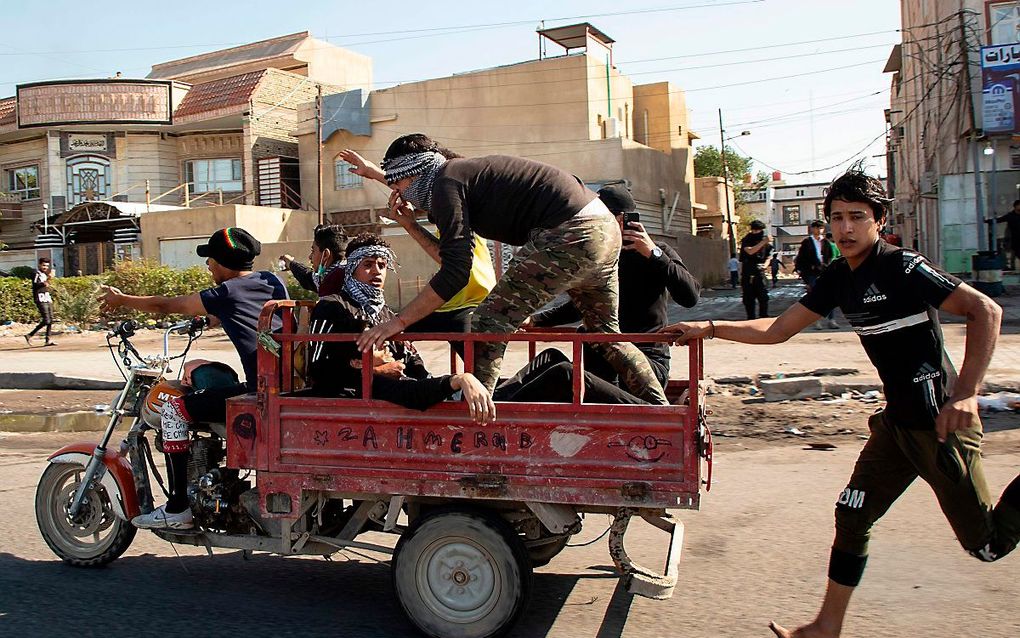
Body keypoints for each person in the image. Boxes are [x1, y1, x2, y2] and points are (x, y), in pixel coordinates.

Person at [663, 168, 1019, 638]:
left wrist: (968, 393)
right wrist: (708, 328)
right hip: (895, 426)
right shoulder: (837, 277)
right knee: (852, 516)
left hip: (938, 425)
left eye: (857, 217)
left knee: (987, 547)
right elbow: (777, 329)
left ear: (879, 220)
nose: (845, 228)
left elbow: (985, 310)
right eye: (836, 218)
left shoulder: (903, 266)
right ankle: (826, 626)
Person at [356, 133, 667, 406]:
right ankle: (663, 410)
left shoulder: (446, 183)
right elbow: (450, 259)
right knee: (604, 335)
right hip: (602, 229)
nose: (399, 192)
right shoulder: (462, 176)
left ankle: (479, 413)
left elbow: (455, 273)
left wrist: (397, 322)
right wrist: (409, 223)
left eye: (397, 182)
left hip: (569, 232)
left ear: (416, 173)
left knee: (488, 321)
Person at [100, 227, 289, 530]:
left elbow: (166, 304)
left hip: (260, 392)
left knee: (175, 411)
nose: (208, 265)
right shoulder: (271, 282)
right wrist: (210, 318)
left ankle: (178, 508)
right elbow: (241, 313)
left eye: (211, 260)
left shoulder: (226, 292)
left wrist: (122, 300)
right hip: (284, 386)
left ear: (224, 263)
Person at [526, 183, 700, 389]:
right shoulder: (597, 255)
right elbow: (584, 305)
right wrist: (534, 320)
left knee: (564, 373)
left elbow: (690, 297)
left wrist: (654, 255)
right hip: (604, 366)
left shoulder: (657, 253)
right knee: (551, 360)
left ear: (618, 219)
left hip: (645, 367)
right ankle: (497, 404)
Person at [306, 233, 494, 421]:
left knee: (510, 390)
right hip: (362, 397)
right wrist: (373, 370)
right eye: (368, 265)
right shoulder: (332, 307)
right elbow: (317, 370)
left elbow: (412, 361)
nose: (377, 272)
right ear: (352, 269)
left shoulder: (386, 314)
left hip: (406, 390)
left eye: (382, 265)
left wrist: (426, 380)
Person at [339, 140, 496, 356]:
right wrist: (371, 171)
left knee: (483, 375)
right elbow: (408, 186)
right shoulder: (452, 208)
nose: (404, 190)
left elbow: (450, 262)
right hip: (455, 303)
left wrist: (410, 225)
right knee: (388, 335)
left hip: (467, 303)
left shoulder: (456, 204)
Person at [279, 223, 348, 296]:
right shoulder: (338, 275)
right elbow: (307, 277)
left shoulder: (331, 284)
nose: (310, 257)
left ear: (325, 255)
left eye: (313, 251)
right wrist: (290, 263)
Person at [795, 220, 839, 329]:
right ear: (812, 229)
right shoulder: (807, 242)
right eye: (816, 228)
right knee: (816, 296)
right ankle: (816, 320)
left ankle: (831, 320)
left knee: (829, 295)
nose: (818, 230)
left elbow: (830, 256)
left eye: (821, 228)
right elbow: (801, 258)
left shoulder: (826, 242)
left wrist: (826, 265)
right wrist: (806, 270)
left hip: (824, 271)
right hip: (811, 272)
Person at [739, 219, 772, 319]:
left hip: (759, 272)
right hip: (748, 272)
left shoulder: (766, 242)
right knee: (748, 298)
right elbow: (750, 251)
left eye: (757, 230)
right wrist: (763, 242)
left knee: (763, 297)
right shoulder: (747, 239)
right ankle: (751, 319)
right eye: (753, 230)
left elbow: (769, 256)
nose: (755, 232)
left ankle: (763, 317)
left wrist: (765, 265)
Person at [25, 257, 55, 347]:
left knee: (50, 320)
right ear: (39, 265)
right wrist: (45, 282)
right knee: (46, 320)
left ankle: (47, 340)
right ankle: (30, 334)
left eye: (47, 266)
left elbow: (46, 285)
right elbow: (35, 285)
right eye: (44, 265)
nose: (45, 267)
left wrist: (49, 279)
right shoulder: (36, 273)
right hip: (40, 298)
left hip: (47, 298)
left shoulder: (44, 274)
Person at [986, 199, 1020, 271]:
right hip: (1013, 238)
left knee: (1015, 253)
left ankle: (1011, 267)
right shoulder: (1011, 216)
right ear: (1015, 206)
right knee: (1013, 252)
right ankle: (1011, 267)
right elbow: (1000, 220)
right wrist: (988, 221)